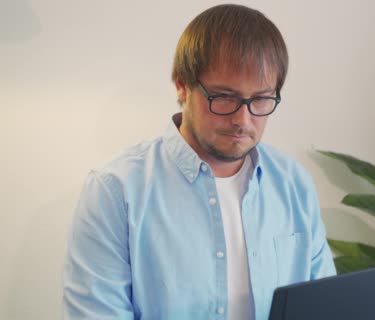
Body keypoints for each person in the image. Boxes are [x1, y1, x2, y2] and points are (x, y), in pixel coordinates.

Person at [63, 4, 336, 320]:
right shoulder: (116, 192)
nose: (242, 120)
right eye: (224, 97)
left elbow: (323, 305)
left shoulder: (293, 183)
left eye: (260, 98)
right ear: (182, 85)